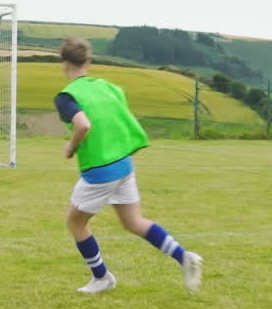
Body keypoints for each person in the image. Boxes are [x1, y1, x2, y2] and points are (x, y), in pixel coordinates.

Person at [54, 37, 203, 294]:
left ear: (64, 63)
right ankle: (184, 257)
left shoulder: (67, 97)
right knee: (134, 221)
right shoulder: (109, 87)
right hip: (124, 164)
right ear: (89, 62)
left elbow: (84, 125)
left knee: (75, 223)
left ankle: (102, 278)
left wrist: (71, 146)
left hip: (100, 170)